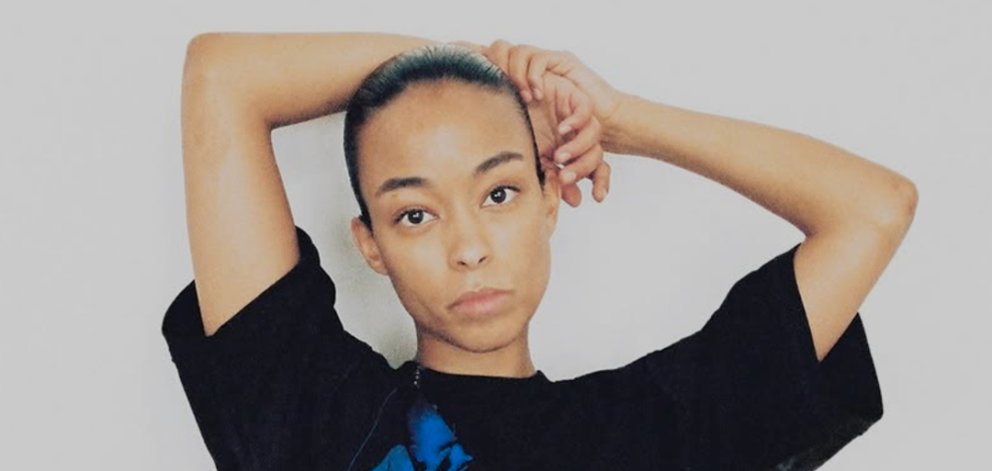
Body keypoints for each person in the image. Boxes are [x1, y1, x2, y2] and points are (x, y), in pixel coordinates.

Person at [162, 32, 916, 471]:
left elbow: (872, 208)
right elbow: (223, 77)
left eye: (499, 193)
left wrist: (616, 121)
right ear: (373, 245)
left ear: (549, 198)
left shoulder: (658, 432)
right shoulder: (313, 408)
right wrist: (475, 73)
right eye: (415, 213)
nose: (468, 248)